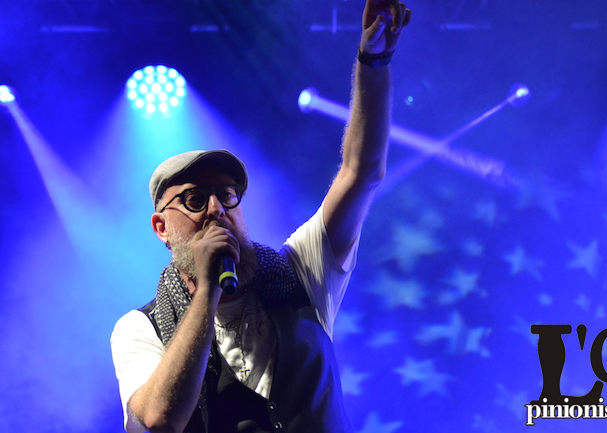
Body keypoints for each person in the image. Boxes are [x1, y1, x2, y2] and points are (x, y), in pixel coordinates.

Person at [110, 1, 411, 432]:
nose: (217, 210)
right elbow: (159, 421)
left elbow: (360, 172)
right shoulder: (140, 328)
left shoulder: (299, 273)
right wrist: (207, 291)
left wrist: (374, 61)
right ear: (161, 228)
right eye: (195, 200)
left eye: (227, 195)